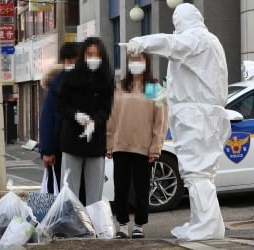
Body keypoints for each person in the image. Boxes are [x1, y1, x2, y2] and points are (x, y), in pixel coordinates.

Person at [124, 3, 231, 241]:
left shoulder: (198, 39)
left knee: (197, 172)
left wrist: (144, 42)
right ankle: (203, 222)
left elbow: (173, 45)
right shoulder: (203, 43)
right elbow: (165, 93)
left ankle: (206, 225)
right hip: (194, 114)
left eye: (177, 22)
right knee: (197, 173)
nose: (175, 28)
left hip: (196, 115)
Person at [106, 53, 167, 239]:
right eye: (132, 60)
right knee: (121, 188)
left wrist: (156, 147)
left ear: (147, 62)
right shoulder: (120, 87)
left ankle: (139, 224)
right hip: (120, 145)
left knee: (141, 188)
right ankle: (122, 224)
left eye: (140, 59)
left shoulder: (153, 88)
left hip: (143, 146)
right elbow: (111, 117)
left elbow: (161, 120)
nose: (136, 63)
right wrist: (108, 143)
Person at [57, 37, 114, 205]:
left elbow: (106, 108)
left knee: (94, 190)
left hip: (95, 140)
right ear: (83, 55)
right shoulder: (70, 77)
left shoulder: (106, 79)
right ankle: (69, 223)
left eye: (97, 54)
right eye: (89, 54)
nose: (93, 58)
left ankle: (94, 225)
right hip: (71, 140)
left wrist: (94, 122)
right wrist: (76, 115)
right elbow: (61, 105)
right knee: (69, 188)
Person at [39, 42, 79, 194]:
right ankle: (57, 217)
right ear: (63, 63)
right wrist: (47, 151)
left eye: (76, 60)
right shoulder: (55, 87)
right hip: (59, 150)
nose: (73, 64)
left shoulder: (90, 85)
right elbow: (47, 120)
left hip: (83, 150)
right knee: (61, 191)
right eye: (69, 61)